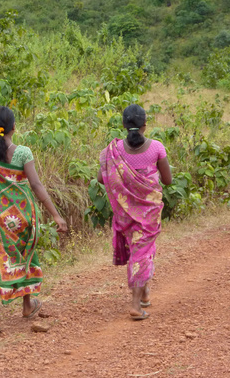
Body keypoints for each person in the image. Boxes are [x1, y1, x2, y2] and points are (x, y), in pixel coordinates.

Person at [0, 106, 68, 335]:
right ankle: (27, 305)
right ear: (14, 127)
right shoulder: (23, 153)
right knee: (27, 257)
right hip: (21, 218)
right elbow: (36, 186)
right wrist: (55, 214)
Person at [97, 104, 172, 320]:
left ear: (123, 125)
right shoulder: (156, 147)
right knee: (142, 252)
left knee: (139, 250)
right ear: (145, 126)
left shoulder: (110, 151)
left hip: (125, 211)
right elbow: (167, 180)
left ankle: (145, 292)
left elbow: (101, 178)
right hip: (148, 212)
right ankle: (135, 305)